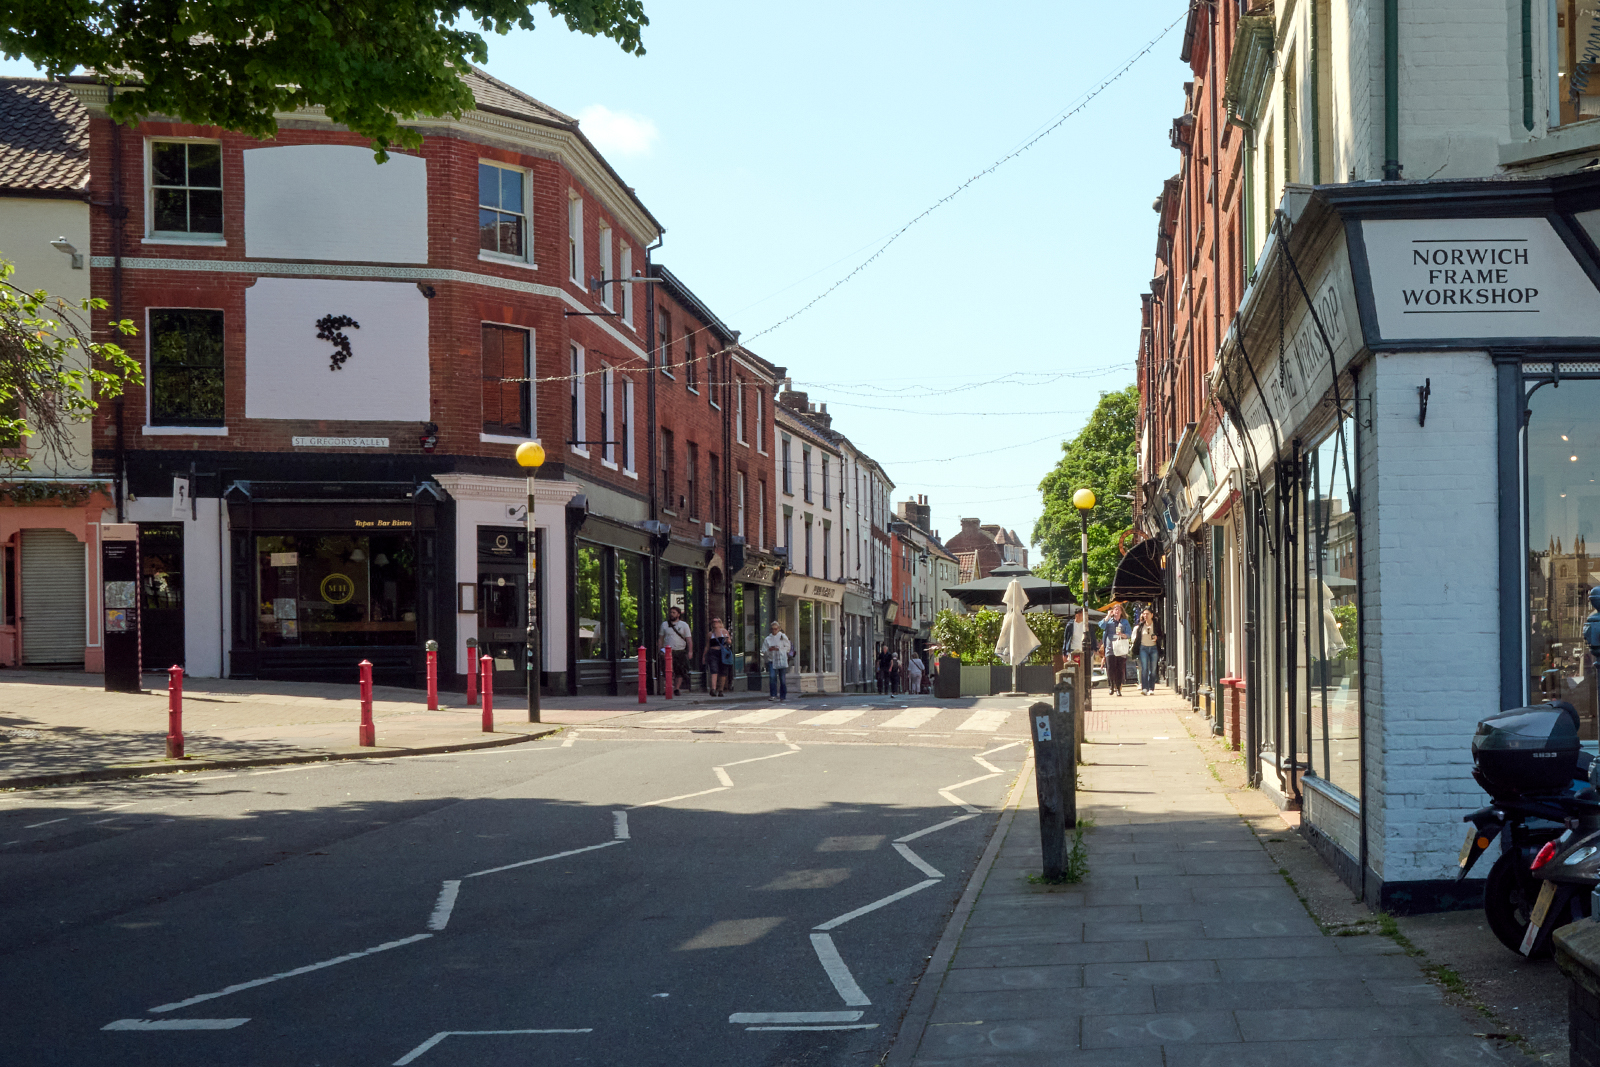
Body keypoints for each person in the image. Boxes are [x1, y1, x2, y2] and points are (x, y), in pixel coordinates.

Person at [1100, 603, 1132, 697]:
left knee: (1119, 668)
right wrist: (1107, 616)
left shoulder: (1124, 622)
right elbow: (1101, 625)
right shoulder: (1108, 621)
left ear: (1121, 612)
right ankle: (1111, 686)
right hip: (1110, 647)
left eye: (1118, 610)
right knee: (1110, 668)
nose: (1117, 611)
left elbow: (1129, 633)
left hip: (1120, 646)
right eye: (1115, 610)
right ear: (1113, 611)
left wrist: (1123, 635)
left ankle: (1118, 688)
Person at [660, 605, 692, 694]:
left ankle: (676, 688)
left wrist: (690, 651)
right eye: (670, 612)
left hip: (680, 650)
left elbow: (689, 639)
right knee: (668, 670)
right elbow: (661, 638)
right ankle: (668, 687)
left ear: (678, 614)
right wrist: (660, 650)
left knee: (679, 671)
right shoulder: (664, 625)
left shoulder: (684, 625)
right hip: (667, 651)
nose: (671, 614)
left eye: (674, 613)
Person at [1131, 607, 1163, 695]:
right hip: (1143, 648)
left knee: (1152, 669)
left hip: (1153, 648)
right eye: (1144, 614)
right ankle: (1144, 688)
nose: (1145, 616)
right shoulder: (1141, 625)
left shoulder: (1156, 624)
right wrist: (1135, 649)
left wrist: (1157, 638)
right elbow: (1137, 638)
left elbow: (1161, 635)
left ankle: (1151, 688)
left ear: (1152, 615)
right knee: (1144, 668)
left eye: (1147, 614)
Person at [762, 620, 792, 701]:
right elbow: (764, 650)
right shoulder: (768, 639)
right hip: (772, 660)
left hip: (781, 659)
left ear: (778, 629)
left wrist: (779, 649)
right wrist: (769, 650)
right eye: (772, 629)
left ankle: (783, 695)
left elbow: (788, 647)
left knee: (782, 679)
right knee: (772, 677)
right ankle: (773, 695)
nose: (774, 630)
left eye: (776, 629)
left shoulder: (782, 637)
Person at [704, 616, 733, 697]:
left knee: (723, 672)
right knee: (714, 670)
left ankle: (720, 690)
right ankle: (713, 689)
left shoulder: (724, 632)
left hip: (723, 653)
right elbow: (707, 645)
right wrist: (704, 655)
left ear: (720, 623)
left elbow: (730, 642)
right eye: (714, 622)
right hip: (713, 652)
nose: (715, 623)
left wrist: (727, 640)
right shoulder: (710, 634)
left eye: (717, 621)